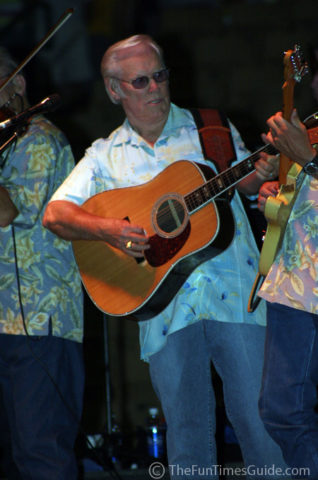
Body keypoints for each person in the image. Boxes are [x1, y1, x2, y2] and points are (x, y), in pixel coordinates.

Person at [43, 34, 287, 478]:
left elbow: (245, 184)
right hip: (163, 312)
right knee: (188, 436)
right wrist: (110, 230)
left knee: (261, 423)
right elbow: (56, 214)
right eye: (140, 81)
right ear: (115, 90)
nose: (155, 88)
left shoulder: (210, 126)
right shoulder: (103, 156)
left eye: (160, 76)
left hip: (235, 294)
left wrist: (260, 174)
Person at [0, 47, 84, 479]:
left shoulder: (40, 139)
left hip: (36, 322)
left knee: (41, 455)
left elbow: (9, 213)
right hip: (4, 323)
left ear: (17, 83)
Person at [257, 108, 318, 478]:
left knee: (287, 413)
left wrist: (309, 160)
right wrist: (278, 196)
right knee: (281, 412)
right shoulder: (311, 129)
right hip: (295, 285)